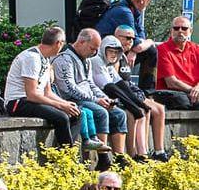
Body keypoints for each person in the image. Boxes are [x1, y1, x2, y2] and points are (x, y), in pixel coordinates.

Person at [53, 27, 127, 159]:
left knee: (119, 114)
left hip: (88, 98)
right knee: (100, 112)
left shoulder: (87, 60)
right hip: (71, 99)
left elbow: (90, 83)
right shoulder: (64, 59)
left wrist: (104, 98)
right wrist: (95, 100)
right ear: (81, 42)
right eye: (92, 48)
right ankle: (103, 159)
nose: (94, 53)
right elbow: (69, 88)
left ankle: (120, 157)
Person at [3, 27, 81, 147]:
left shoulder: (45, 59)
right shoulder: (31, 58)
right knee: (62, 117)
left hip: (33, 100)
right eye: (63, 43)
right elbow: (32, 94)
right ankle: (66, 156)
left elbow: (48, 92)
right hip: (18, 102)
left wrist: (66, 104)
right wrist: (61, 106)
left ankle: (62, 151)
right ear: (58, 43)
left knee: (75, 113)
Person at [97, 31, 168, 160]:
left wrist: (138, 102)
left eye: (116, 52)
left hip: (120, 94)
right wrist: (134, 105)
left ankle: (146, 153)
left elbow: (121, 83)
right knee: (131, 113)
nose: (130, 41)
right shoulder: (98, 60)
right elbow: (109, 87)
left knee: (146, 109)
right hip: (102, 97)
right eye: (111, 51)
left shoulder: (117, 59)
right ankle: (131, 155)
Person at [95, 0, 158, 85]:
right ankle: (147, 92)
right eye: (149, 0)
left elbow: (140, 37)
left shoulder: (131, 9)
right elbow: (138, 46)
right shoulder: (124, 12)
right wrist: (149, 42)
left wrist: (134, 50)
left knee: (148, 50)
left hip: (119, 50)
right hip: (106, 53)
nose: (149, 3)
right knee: (151, 50)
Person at [153, 16, 199, 111]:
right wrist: (193, 91)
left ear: (190, 31)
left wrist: (198, 88)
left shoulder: (196, 49)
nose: (180, 31)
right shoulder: (162, 50)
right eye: (176, 28)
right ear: (171, 31)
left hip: (193, 93)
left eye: (184, 28)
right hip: (174, 93)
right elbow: (171, 82)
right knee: (181, 100)